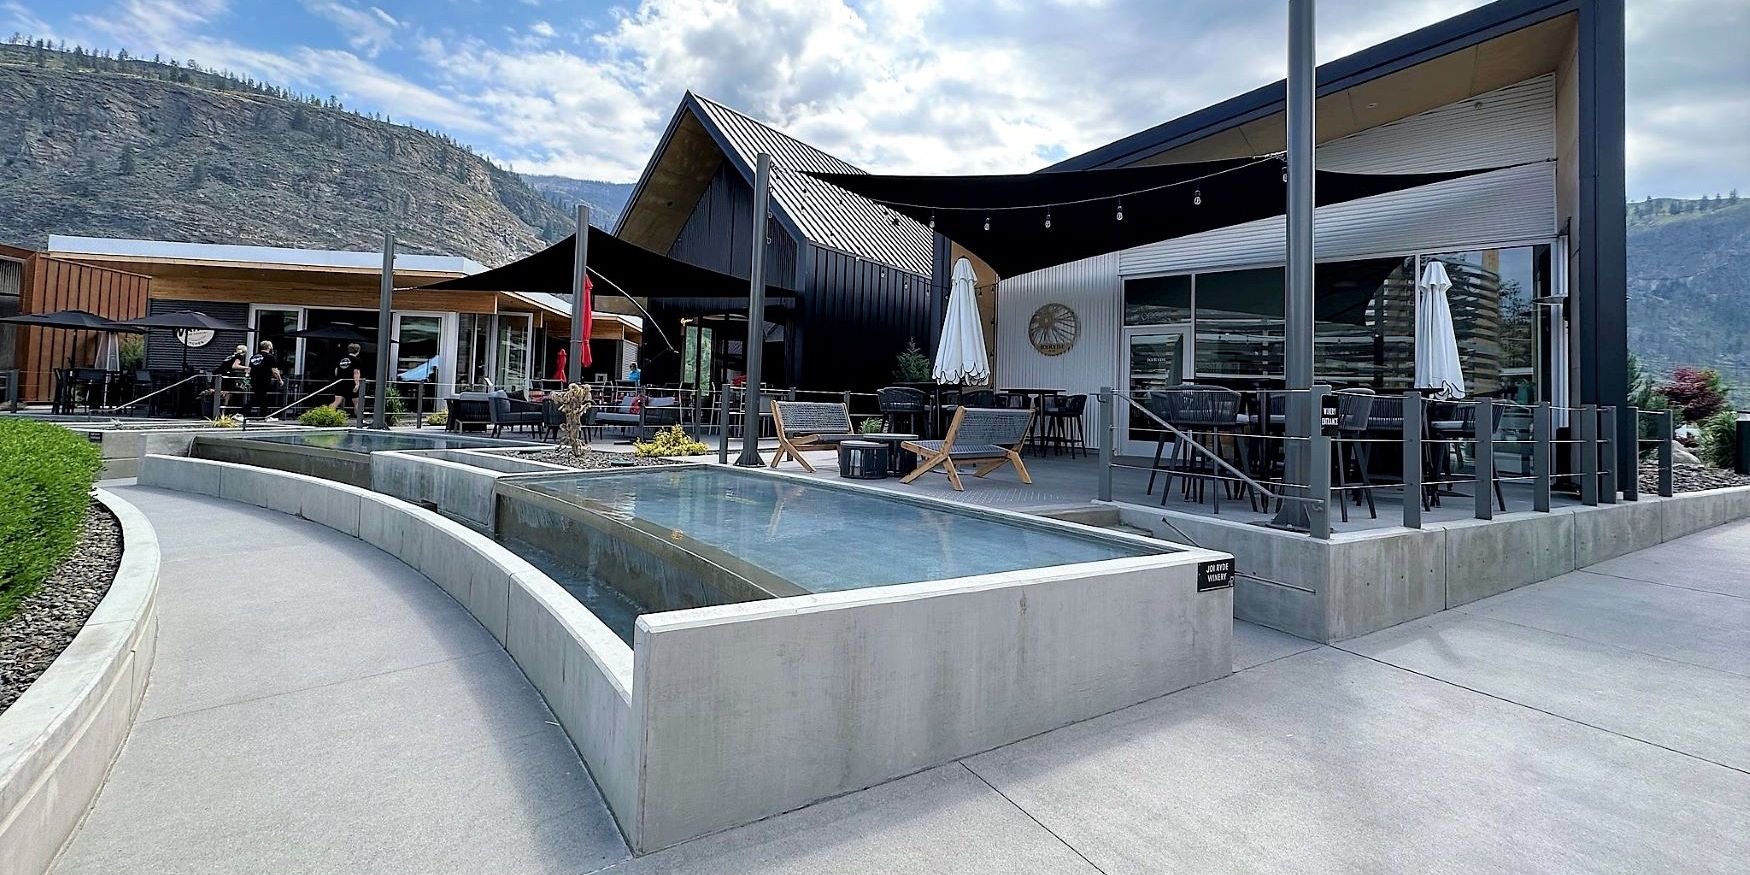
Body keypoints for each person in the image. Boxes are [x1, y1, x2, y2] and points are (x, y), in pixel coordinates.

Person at [244, 340, 283, 419]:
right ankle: (242, 413)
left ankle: (264, 415)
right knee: (257, 397)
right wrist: (280, 380)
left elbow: (249, 369)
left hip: (254, 379)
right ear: (269, 347)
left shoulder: (254, 356)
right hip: (264, 379)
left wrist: (246, 380)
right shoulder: (270, 357)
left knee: (262, 397)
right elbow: (275, 371)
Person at [330, 343, 364, 421]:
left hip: (340, 382)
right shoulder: (356, 360)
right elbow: (356, 372)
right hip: (351, 382)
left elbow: (336, 370)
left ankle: (327, 415)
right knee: (356, 402)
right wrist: (357, 383)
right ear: (358, 351)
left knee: (337, 401)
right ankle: (360, 419)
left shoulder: (341, 359)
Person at [213, 344, 248, 414]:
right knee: (228, 392)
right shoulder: (239, 356)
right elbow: (234, 366)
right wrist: (246, 367)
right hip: (226, 375)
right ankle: (223, 412)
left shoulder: (231, 356)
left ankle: (218, 410)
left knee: (220, 392)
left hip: (218, 374)